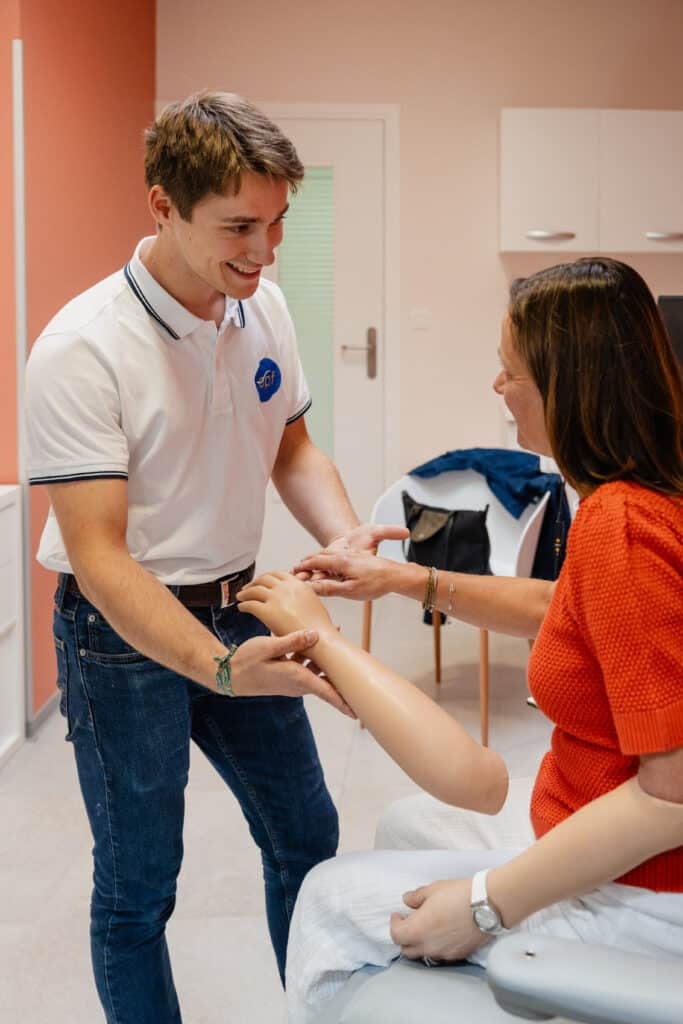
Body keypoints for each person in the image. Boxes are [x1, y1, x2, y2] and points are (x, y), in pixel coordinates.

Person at [24, 91, 408, 1024]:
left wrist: (340, 533)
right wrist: (223, 670)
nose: (264, 251)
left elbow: (291, 447)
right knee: (139, 881)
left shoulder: (261, 306)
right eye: (239, 226)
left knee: (306, 838)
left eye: (277, 224)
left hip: (240, 603)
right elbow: (103, 559)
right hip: (121, 632)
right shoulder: (81, 350)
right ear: (162, 206)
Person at [243, 257, 683, 1023]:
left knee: (327, 900)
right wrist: (405, 580)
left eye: (507, 369)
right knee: (408, 823)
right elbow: (566, 607)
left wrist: (481, 907)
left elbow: (671, 795)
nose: (495, 387)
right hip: (588, 817)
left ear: (565, 382)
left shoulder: (620, 523)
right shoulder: (642, 492)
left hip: (647, 890)